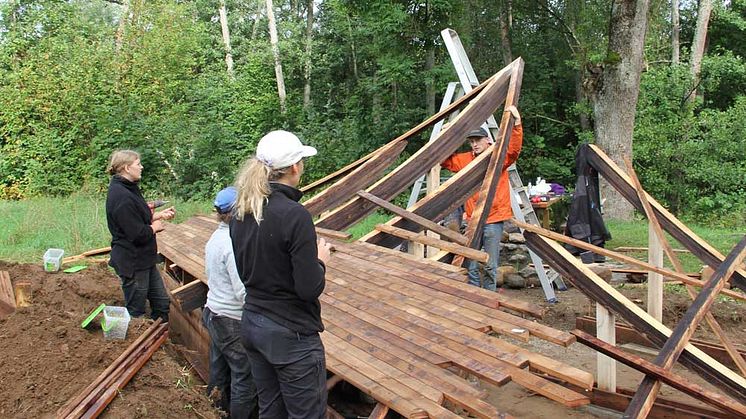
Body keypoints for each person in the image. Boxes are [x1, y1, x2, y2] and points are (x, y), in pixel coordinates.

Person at [230, 130, 332, 419]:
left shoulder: (243, 207)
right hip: (291, 335)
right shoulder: (294, 214)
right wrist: (320, 261)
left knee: (271, 411)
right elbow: (308, 288)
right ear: (295, 167)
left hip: (253, 324)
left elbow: (245, 270)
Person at [441, 106, 523, 291]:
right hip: (473, 219)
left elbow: (514, 151)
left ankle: (489, 297)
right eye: (471, 142)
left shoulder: (498, 157)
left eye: (477, 140)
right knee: (470, 263)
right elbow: (445, 160)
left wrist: (517, 124)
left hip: (493, 219)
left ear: (488, 140)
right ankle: (475, 297)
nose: (474, 144)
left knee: (490, 264)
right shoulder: (466, 159)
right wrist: (447, 137)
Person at [202, 186, 258, 419]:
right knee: (245, 377)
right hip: (231, 320)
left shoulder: (217, 237)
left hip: (213, 312)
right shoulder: (232, 244)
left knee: (219, 369)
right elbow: (243, 292)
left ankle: (212, 411)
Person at [105, 150, 175, 322]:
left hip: (145, 260)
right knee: (136, 310)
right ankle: (140, 343)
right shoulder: (121, 196)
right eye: (138, 164)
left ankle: (162, 342)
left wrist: (158, 216)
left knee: (161, 302)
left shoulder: (129, 187)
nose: (141, 167)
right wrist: (154, 228)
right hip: (133, 262)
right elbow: (136, 234)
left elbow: (135, 218)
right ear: (127, 168)